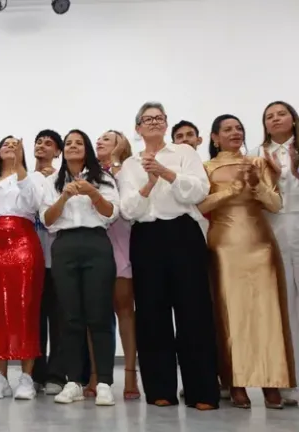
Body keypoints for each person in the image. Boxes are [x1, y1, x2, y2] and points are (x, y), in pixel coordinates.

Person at [117, 101, 220, 410]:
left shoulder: (184, 153)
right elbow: (128, 209)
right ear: (137, 128)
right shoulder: (129, 165)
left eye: (159, 118)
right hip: (147, 237)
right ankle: (160, 389)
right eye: (147, 119)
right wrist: (149, 183)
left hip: (183, 233)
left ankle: (202, 391)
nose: (154, 122)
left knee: (194, 311)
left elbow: (199, 191)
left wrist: (165, 173)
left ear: (165, 123)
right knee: (151, 313)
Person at [199, 114, 295, 409]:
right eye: (227, 129)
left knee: (268, 311)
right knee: (231, 312)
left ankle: (272, 381)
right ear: (215, 138)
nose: (235, 133)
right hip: (225, 246)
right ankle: (235, 381)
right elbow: (200, 205)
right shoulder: (206, 168)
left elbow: (275, 205)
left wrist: (257, 187)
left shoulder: (258, 163)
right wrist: (230, 192)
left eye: (239, 128)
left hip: (260, 244)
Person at [24, 130, 119, 406]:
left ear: (87, 148)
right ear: (62, 151)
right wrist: (63, 197)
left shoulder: (103, 178)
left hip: (96, 243)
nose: (73, 146)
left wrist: (92, 193)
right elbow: (47, 220)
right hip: (64, 245)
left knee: (99, 314)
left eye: (79, 143)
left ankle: (104, 382)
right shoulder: (52, 181)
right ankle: (73, 381)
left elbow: (112, 213)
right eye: (68, 143)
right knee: (69, 316)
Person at [0, 136, 43, 400]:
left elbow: (34, 204)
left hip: (24, 242)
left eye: (16, 144)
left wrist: (19, 167)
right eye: (6, 143)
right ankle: (0, 377)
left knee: (26, 307)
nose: (10, 146)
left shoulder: (32, 177)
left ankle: (27, 377)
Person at [250, 101, 299, 405]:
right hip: (275, 228)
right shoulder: (258, 154)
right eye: (269, 116)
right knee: (285, 305)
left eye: (281, 114)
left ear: (293, 118)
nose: (276, 119)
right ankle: (289, 380)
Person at [93, 130, 140, 400]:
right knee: (96, 315)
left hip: (122, 244)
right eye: (99, 138)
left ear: (120, 145)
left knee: (125, 311)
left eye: (107, 139)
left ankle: (131, 375)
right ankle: (97, 376)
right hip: (95, 245)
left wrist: (116, 164)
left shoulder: (128, 171)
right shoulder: (90, 174)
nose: (99, 141)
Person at [29, 129, 66, 395]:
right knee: (34, 319)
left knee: (59, 319)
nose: (42, 146)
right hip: (30, 259)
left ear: (58, 152)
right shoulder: (24, 178)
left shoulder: (62, 179)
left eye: (49, 143)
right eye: (39, 142)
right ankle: (35, 373)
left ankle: (57, 374)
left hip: (58, 257)